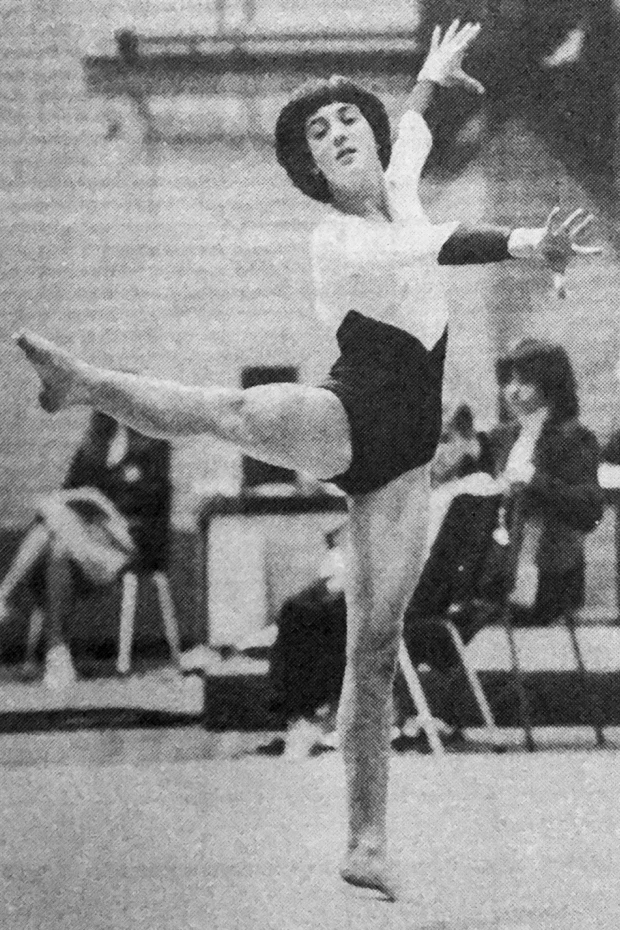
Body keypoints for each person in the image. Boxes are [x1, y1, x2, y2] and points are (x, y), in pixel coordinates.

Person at [12, 21, 600, 899]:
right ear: (317, 172)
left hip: (404, 462)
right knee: (232, 410)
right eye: (321, 136)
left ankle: (366, 843)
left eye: (346, 121)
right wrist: (525, 242)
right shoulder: (336, 238)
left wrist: (432, 75)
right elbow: (430, 247)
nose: (340, 134)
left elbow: (417, 130)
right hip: (348, 416)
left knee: (374, 648)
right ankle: (84, 383)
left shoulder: (399, 178)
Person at [0, 412, 171, 688]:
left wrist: (105, 514)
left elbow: (152, 505)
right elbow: (69, 493)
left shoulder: (154, 446)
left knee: (53, 527)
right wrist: (87, 511)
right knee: (58, 540)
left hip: (127, 545)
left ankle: (6, 594)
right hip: (86, 541)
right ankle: (57, 652)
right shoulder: (92, 447)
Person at [486, 338, 603, 623]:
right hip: (499, 562)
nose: (512, 390)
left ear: (550, 386)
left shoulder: (576, 438)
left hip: (548, 572)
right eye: (508, 381)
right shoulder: (501, 438)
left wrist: (533, 479)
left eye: (524, 381)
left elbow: (590, 512)